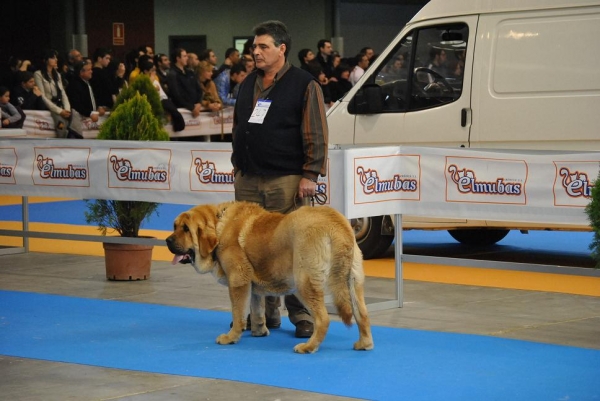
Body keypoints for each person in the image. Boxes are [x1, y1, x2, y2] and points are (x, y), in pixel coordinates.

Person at [231, 20, 328, 338]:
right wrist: (237, 165)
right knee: (252, 249)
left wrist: (310, 174)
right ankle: (262, 315)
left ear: (281, 49)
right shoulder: (248, 83)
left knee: (292, 249)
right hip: (249, 178)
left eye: (263, 47)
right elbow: (239, 127)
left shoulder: (304, 84)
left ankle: (303, 315)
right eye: (254, 47)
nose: (256, 52)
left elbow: (315, 131)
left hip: (286, 179)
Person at [34, 49, 74, 138]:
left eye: (56, 58)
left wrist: (67, 109)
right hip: (50, 106)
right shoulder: (38, 74)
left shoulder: (57, 74)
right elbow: (42, 96)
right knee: (61, 125)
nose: (56, 60)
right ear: (45, 60)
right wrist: (60, 111)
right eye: (52, 58)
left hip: (61, 104)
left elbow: (63, 92)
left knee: (73, 119)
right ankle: (62, 142)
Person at [139, 58, 185, 132]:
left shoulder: (155, 78)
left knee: (175, 113)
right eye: (152, 70)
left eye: (154, 70)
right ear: (146, 71)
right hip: (156, 100)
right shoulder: (142, 80)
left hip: (164, 98)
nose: (154, 72)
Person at [166, 48, 203, 117]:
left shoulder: (190, 72)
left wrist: (199, 103)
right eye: (184, 56)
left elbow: (199, 89)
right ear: (178, 58)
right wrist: (191, 107)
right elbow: (176, 95)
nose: (187, 58)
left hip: (196, 106)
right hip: (183, 110)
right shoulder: (172, 74)